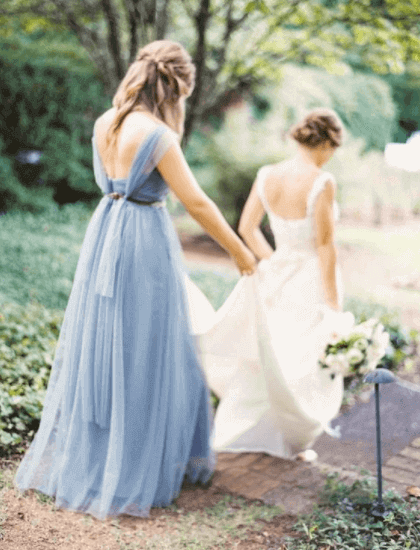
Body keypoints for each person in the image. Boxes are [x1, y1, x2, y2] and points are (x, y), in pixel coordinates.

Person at [14, 39, 256, 520]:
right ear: (177, 85)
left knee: (106, 345)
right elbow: (198, 202)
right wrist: (240, 251)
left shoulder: (107, 122)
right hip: (144, 239)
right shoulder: (158, 135)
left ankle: (104, 454)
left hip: (105, 233)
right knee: (148, 345)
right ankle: (137, 463)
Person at [187, 108, 354, 461]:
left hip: (276, 274)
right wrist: (334, 304)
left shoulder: (268, 175)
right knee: (301, 359)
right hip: (309, 278)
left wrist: (273, 261)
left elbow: (247, 228)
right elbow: (325, 246)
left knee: (270, 355)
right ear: (327, 143)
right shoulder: (322, 181)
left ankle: (256, 430)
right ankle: (292, 439)